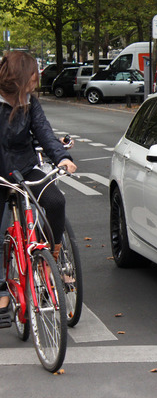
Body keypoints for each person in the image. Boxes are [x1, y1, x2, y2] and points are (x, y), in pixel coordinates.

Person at [0, 51, 77, 328]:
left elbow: (44, 131)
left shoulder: (30, 103)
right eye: (33, 74)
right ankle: (1, 290)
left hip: (27, 166)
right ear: (20, 76)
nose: (37, 79)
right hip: (2, 171)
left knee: (55, 201)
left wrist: (62, 158)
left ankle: (52, 255)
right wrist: (10, 176)